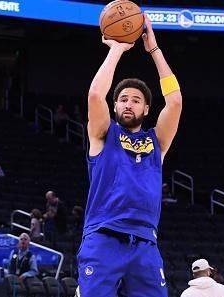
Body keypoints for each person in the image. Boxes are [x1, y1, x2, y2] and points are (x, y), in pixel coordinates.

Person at [77, 15, 183, 297]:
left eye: (136, 100)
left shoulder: (156, 142)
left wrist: (154, 50)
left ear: (146, 109)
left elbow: (175, 102)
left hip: (145, 243)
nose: (128, 103)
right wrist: (117, 49)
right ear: (114, 107)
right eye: (122, 99)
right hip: (104, 238)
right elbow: (95, 96)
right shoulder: (102, 133)